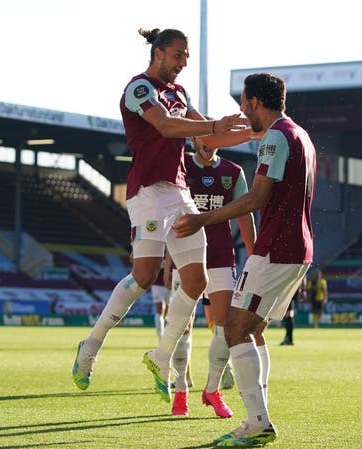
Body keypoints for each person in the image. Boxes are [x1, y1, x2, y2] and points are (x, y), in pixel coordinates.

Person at [71, 27, 251, 392]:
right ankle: (90, 346)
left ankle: (161, 354)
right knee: (144, 275)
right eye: (178, 55)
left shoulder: (179, 93)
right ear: (158, 54)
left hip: (180, 192)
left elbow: (208, 137)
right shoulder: (140, 89)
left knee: (196, 281)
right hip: (148, 192)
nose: (183, 62)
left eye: (187, 56)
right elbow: (168, 127)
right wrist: (214, 124)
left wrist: (254, 132)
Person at [173, 72, 316, 447]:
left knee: (234, 329)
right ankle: (258, 415)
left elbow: (255, 199)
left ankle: (257, 421)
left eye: (243, 101)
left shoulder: (276, 138)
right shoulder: (297, 134)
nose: (240, 107)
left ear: (254, 101)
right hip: (295, 249)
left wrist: (202, 219)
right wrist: (211, 127)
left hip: (276, 249)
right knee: (250, 330)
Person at [167, 135, 256, 417]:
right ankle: (181, 391)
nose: (208, 143)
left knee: (226, 325)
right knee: (183, 326)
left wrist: (254, 257)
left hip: (220, 257)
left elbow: (245, 216)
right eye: (204, 138)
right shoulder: (179, 166)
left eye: (214, 138)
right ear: (194, 140)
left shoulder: (233, 172)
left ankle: (212, 390)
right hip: (185, 257)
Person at [280, 275, 306, 345]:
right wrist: (303, 290)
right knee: (288, 314)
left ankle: (289, 339)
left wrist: (303, 290)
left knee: (288, 314)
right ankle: (288, 338)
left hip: (291, 288)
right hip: (293, 288)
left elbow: (303, 276)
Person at [151, 265, 170, 342]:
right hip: (157, 284)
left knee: (168, 312)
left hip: (171, 284)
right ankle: (161, 337)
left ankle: (167, 336)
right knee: (160, 309)